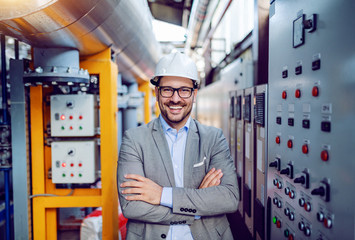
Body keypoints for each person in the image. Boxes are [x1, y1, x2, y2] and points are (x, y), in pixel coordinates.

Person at [117, 51, 239, 240]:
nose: (175, 99)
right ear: (157, 93)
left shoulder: (213, 138)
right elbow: (132, 206)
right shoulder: (134, 139)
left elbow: (229, 198)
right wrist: (196, 206)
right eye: (167, 90)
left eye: (184, 90)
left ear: (194, 94)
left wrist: (162, 195)